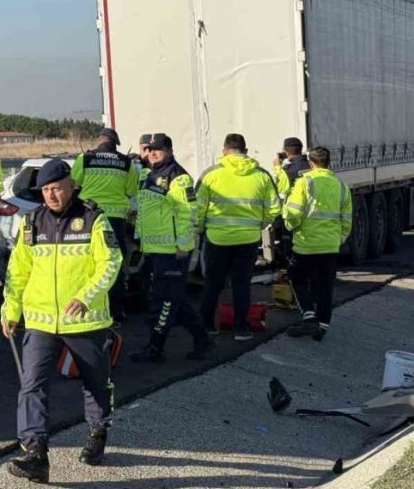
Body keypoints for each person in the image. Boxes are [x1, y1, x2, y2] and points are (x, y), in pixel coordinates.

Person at [1, 159, 122, 484]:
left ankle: (98, 431)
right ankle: (35, 453)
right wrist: (10, 309)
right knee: (32, 385)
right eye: (45, 190)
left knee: (96, 384)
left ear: (71, 185)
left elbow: (110, 262)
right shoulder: (31, 222)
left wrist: (85, 297)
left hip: (85, 321)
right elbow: (18, 270)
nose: (51, 196)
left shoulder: (94, 219)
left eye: (56, 188)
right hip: (40, 321)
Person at [130, 134, 210, 363]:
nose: (153, 153)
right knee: (175, 301)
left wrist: (184, 247)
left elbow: (189, 214)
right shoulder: (150, 175)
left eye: (158, 150)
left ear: (169, 150)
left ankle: (155, 348)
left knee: (163, 301)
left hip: (173, 253)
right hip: (156, 250)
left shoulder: (179, 178)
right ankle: (203, 340)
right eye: (149, 149)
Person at [197, 133, 281, 341]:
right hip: (248, 239)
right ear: (246, 151)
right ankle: (241, 328)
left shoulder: (211, 175)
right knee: (241, 284)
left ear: (225, 150)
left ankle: (208, 325)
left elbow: (197, 208)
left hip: (217, 239)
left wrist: (199, 229)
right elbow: (274, 207)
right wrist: (260, 223)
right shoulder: (261, 175)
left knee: (213, 284)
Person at [283, 147, 352, 341]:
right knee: (325, 286)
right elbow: (347, 219)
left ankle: (309, 316)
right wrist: (339, 239)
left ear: (310, 163)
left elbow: (294, 212)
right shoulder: (342, 186)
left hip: (306, 244)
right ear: (329, 162)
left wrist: (290, 226)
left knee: (296, 278)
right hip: (330, 246)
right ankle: (321, 327)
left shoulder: (305, 182)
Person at [70, 127, 138, 321]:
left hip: (89, 216)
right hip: (115, 219)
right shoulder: (126, 163)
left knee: (87, 261)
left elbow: (73, 183)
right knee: (113, 263)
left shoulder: (86, 159)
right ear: (115, 144)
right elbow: (131, 189)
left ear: (99, 141)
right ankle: (115, 311)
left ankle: (86, 307)